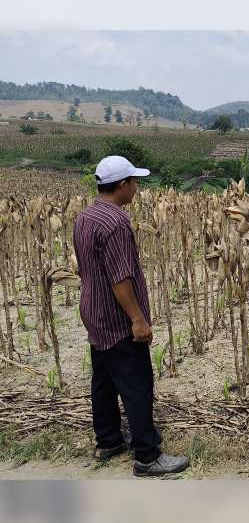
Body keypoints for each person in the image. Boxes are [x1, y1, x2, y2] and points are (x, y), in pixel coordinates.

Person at [73, 155, 188, 477]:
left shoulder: (85, 216)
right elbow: (120, 278)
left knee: (103, 381)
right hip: (117, 319)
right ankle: (148, 456)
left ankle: (108, 440)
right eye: (135, 182)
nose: (137, 187)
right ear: (122, 185)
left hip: (93, 312)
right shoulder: (116, 223)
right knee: (137, 384)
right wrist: (137, 319)